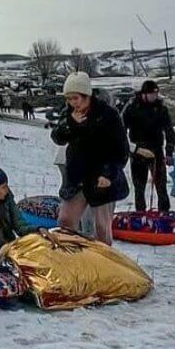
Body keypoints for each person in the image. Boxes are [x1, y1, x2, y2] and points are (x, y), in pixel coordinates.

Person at [51, 72, 130, 245]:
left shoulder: (108, 114)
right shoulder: (69, 113)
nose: (72, 103)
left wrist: (108, 174)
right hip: (77, 177)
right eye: (68, 99)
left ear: (87, 95)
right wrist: (71, 124)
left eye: (76, 98)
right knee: (65, 220)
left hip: (101, 178)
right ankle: (70, 257)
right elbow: (57, 137)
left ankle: (104, 264)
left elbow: (121, 150)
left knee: (101, 228)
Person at [122, 79, 175, 212]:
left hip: (156, 149)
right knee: (139, 187)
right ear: (144, 94)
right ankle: (140, 213)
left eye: (156, 94)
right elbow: (121, 129)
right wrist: (128, 149)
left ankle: (164, 212)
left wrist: (169, 152)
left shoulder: (161, 109)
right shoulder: (132, 107)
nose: (154, 97)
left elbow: (169, 130)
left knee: (160, 184)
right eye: (152, 94)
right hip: (138, 150)